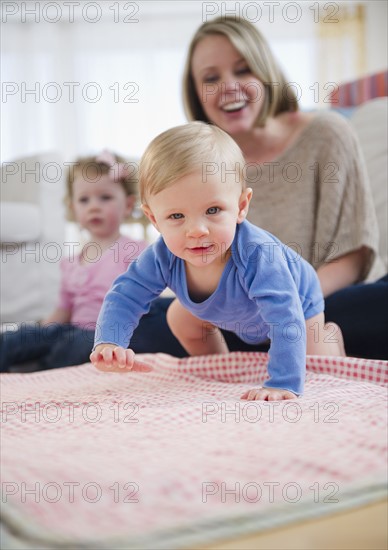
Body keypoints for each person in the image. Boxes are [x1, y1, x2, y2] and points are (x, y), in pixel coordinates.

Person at [180, 16, 388, 359]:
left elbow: (354, 254)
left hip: (331, 298)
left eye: (243, 70)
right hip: (247, 319)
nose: (229, 86)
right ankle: (60, 343)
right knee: (158, 318)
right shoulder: (202, 168)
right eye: (211, 78)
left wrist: (287, 305)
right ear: (197, 94)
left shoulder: (327, 132)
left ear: (265, 73)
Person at [90, 122, 345, 401]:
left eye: (213, 210)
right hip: (234, 310)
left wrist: (282, 383)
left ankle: (329, 336)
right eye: (176, 216)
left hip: (298, 306)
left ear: (241, 206)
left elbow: (286, 317)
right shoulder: (161, 257)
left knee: (317, 364)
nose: (197, 230)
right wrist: (110, 342)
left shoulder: (259, 255)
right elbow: (126, 294)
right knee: (178, 316)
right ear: (154, 219)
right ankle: (220, 367)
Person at [0, 151, 148, 372]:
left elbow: (145, 303)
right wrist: (39, 332)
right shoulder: (70, 262)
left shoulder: (135, 251)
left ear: (127, 205)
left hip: (107, 336)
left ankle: (39, 371)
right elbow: (62, 312)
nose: (94, 206)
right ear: (73, 209)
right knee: (22, 337)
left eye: (105, 197)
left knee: (79, 345)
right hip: (70, 328)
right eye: (84, 200)